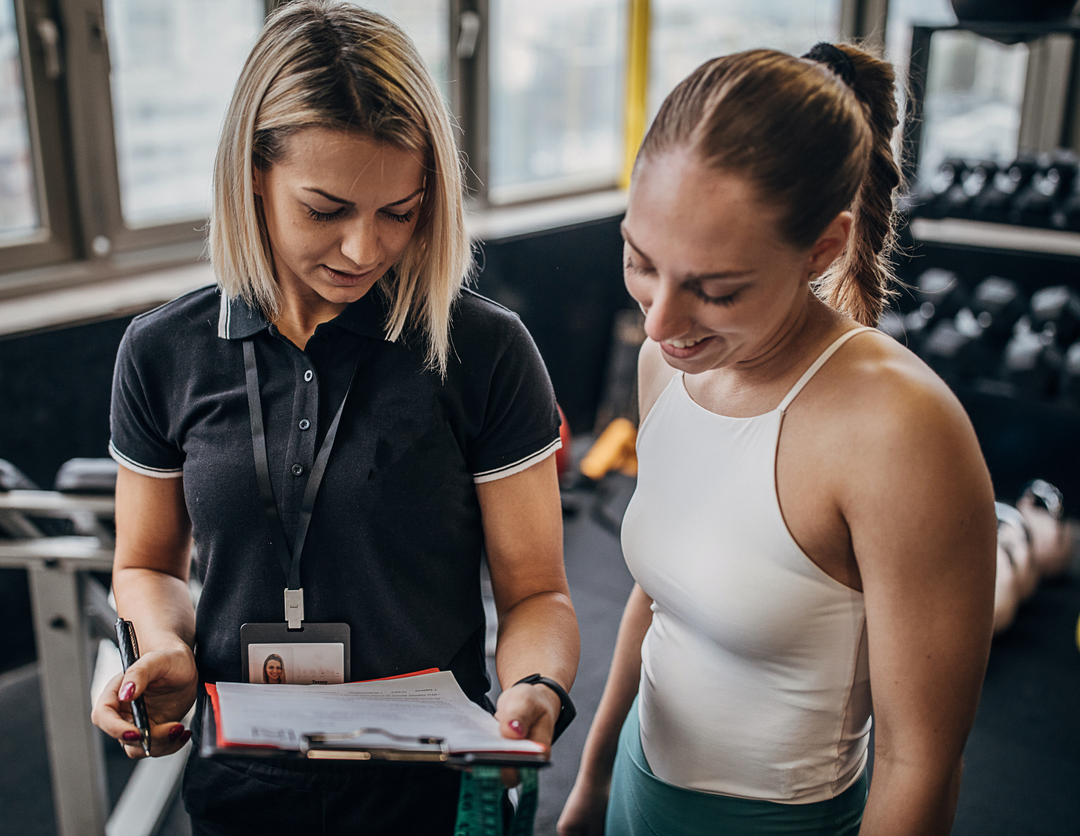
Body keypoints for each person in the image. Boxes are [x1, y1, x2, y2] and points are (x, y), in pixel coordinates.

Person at [89, 3, 579, 834]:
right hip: (245, 783)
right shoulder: (162, 351)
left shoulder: (485, 351)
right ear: (252, 171)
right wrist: (161, 648)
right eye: (326, 210)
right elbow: (147, 568)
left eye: (399, 210)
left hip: (435, 786)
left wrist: (537, 688)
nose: (364, 249)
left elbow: (536, 593)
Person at [558, 43, 995, 836]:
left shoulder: (902, 433)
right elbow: (657, 605)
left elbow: (919, 761)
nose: (657, 323)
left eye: (715, 290)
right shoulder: (666, 366)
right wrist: (590, 787)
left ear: (823, 248)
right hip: (636, 791)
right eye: (639, 261)